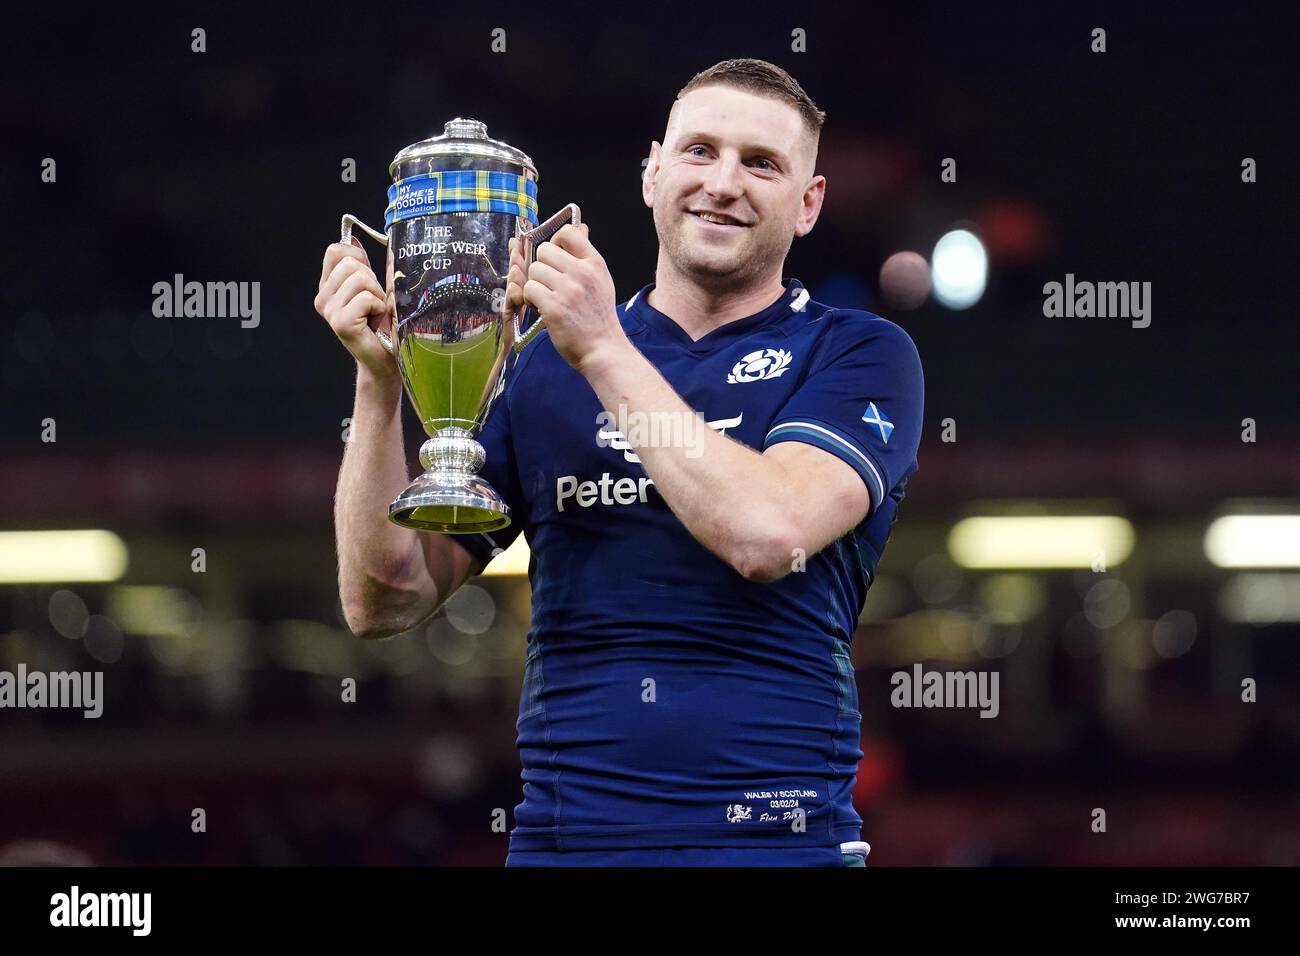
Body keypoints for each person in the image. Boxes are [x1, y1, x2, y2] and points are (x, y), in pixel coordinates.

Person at [314, 58, 923, 867]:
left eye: (762, 163)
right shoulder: (537, 368)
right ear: (652, 172)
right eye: (699, 151)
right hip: (567, 848)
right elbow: (381, 600)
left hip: (780, 849)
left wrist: (605, 349)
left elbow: (770, 534)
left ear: (808, 204)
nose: (723, 182)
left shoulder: (858, 353)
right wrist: (379, 380)